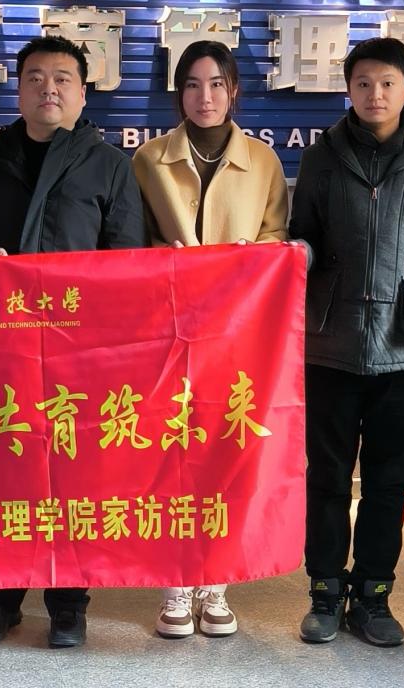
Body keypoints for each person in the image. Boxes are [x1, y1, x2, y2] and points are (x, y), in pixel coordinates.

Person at [0, 35, 146, 648]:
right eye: (34, 77)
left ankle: (68, 604)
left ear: (83, 93)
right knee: (1, 468)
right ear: (19, 90)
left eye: (61, 78)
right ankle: (0, 599)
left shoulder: (109, 166)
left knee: (72, 475)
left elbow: (127, 260)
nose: (47, 88)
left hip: (76, 349)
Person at [289, 37, 404, 647]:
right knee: (327, 476)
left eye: (388, 83)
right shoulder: (322, 156)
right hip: (330, 342)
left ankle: (373, 595)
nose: (375, 94)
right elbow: (301, 241)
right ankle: (324, 591)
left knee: (389, 479)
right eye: (363, 83)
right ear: (348, 90)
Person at [132, 40, 288, 639]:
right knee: (168, 453)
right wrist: (161, 260)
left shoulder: (263, 161)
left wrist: (254, 257)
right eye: (193, 85)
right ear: (179, 94)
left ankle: (215, 583)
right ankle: (175, 581)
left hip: (237, 331)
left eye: (217, 84)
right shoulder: (148, 159)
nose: (206, 97)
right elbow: (129, 238)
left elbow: (278, 238)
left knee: (226, 450)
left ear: (233, 91)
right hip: (166, 329)